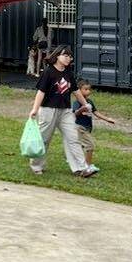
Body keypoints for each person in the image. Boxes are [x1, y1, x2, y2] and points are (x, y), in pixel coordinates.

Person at [27, 45, 92, 177]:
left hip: (65, 111)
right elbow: (41, 92)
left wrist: (86, 104)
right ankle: (36, 165)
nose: (68, 58)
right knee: (44, 139)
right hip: (48, 110)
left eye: (70, 56)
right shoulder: (48, 72)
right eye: (65, 55)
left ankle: (81, 168)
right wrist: (35, 109)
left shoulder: (68, 73)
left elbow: (76, 91)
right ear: (57, 56)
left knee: (73, 138)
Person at [71, 78, 115, 172]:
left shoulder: (90, 102)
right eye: (85, 89)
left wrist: (107, 119)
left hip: (87, 128)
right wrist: (81, 109)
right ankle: (88, 166)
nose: (88, 91)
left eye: (89, 89)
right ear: (79, 90)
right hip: (80, 127)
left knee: (80, 146)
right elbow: (74, 114)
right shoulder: (77, 103)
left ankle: (74, 160)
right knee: (90, 145)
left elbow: (96, 112)